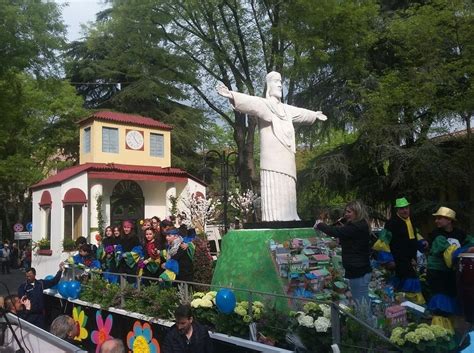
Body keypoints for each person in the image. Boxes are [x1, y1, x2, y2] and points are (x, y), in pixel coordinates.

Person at [217, 71, 327, 221]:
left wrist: (314, 115)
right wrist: (231, 95)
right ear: (269, 85)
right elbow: (249, 102)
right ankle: (274, 217)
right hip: (271, 158)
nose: (280, 85)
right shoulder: (264, 104)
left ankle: (290, 215)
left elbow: (301, 113)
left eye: (281, 82)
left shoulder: (286, 110)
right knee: (274, 182)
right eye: (276, 81)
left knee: (289, 182)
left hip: (287, 154)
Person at [314, 200, 372, 308]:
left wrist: (320, 224)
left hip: (359, 271)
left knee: (362, 305)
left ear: (357, 212)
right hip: (359, 269)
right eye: (345, 211)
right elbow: (350, 238)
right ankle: (364, 322)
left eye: (349, 212)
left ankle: (364, 324)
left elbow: (335, 232)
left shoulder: (357, 226)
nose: (346, 214)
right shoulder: (359, 225)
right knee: (361, 301)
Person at [426, 206, 471, 333]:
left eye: (439, 218)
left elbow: (471, 242)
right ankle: (440, 332)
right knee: (441, 300)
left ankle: (452, 330)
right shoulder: (436, 235)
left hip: (452, 273)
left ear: (449, 220)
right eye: (436, 219)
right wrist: (465, 250)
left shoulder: (460, 233)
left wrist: (470, 247)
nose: (436, 221)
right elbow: (449, 252)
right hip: (437, 272)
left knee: (451, 298)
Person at [376, 197, 427, 304]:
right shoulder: (391, 223)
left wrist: (422, 242)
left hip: (409, 258)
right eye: (401, 208)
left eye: (406, 208)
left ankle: (401, 307)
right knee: (410, 279)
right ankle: (412, 306)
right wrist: (387, 259)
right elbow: (383, 241)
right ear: (397, 210)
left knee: (402, 280)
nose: (405, 210)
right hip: (398, 258)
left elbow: (413, 237)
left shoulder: (410, 221)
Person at [17, 262, 64, 328]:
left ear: (34, 275)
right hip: (29, 315)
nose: (28, 278)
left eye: (30, 276)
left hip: (40, 315)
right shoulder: (23, 287)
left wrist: (60, 271)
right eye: (27, 276)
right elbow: (20, 300)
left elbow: (54, 281)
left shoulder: (41, 283)